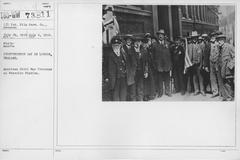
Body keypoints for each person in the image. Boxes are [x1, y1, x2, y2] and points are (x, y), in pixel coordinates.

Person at [152, 29, 172, 97]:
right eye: (159, 35)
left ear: (164, 36)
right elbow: (153, 56)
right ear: (158, 36)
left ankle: (167, 91)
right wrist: (155, 65)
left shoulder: (168, 44)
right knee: (159, 80)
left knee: (167, 79)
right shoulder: (154, 45)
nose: (160, 36)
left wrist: (170, 65)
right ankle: (160, 93)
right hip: (159, 66)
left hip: (167, 65)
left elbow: (170, 55)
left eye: (162, 35)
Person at [108, 36, 127, 101]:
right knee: (115, 95)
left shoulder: (122, 54)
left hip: (123, 77)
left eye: (118, 45)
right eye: (115, 45)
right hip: (115, 79)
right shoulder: (110, 55)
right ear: (112, 46)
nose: (116, 47)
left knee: (123, 94)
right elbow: (109, 69)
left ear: (120, 46)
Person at [216, 34, 235, 101]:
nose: (218, 42)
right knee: (223, 84)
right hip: (221, 69)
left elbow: (235, 56)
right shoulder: (219, 48)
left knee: (228, 85)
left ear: (224, 40)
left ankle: (229, 99)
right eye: (218, 40)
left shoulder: (229, 47)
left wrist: (230, 66)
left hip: (228, 70)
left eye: (220, 40)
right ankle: (225, 98)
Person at [188, 31, 205, 96]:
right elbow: (189, 55)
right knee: (194, 77)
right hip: (193, 64)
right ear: (192, 38)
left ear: (197, 38)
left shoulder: (200, 45)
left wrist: (202, 64)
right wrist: (190, 64)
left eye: (196, 37)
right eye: (193, 38)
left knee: (200, 77)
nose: (195, 39)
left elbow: (203, 56)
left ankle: (202, 90)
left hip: (199, 64)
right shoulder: (190, 46)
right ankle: (196, 90)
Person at [132, 36, 148, 101]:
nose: (137, 43)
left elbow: (146, 62)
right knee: (133, 87)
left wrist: (146, 71)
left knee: (140, 86)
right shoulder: (131, 51)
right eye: (136, 42)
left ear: (140, 43)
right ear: (134, 43)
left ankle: (140, 99)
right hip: (133, 73)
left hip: (141, 72)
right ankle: (134, 100)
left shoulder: (143, 51)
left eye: (138, 42)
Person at [122, 34, 137, 101]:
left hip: (132, 71)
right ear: (125, 41)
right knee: (125, 88)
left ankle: (133, 100)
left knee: (133, 88)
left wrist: (134, 70)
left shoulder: (134, 49)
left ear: (131, 41)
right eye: (127, 40)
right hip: (126, 71)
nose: (128, 41)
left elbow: (135, 60)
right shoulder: (122, 48)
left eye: (130, 40)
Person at [142, 35, 155, 101]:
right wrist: (146, 71)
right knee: (146, 82)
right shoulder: (143, 51)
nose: (146, 45)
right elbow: (145, 61)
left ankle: (150, 94)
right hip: (145, 68)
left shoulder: (148, 50)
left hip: (149, 67)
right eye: (145, 43)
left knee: (150, 81)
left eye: (147, 43)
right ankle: (146, 95)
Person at [209, 31, 222, 98]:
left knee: (219, 77)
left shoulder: (218, 44)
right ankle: (215, 92)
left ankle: (221, 92)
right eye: (212, 36)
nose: (213, 37)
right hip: (211, 62)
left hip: (217, 62)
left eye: (214, 36)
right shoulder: (209, 44)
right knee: (212, 78)